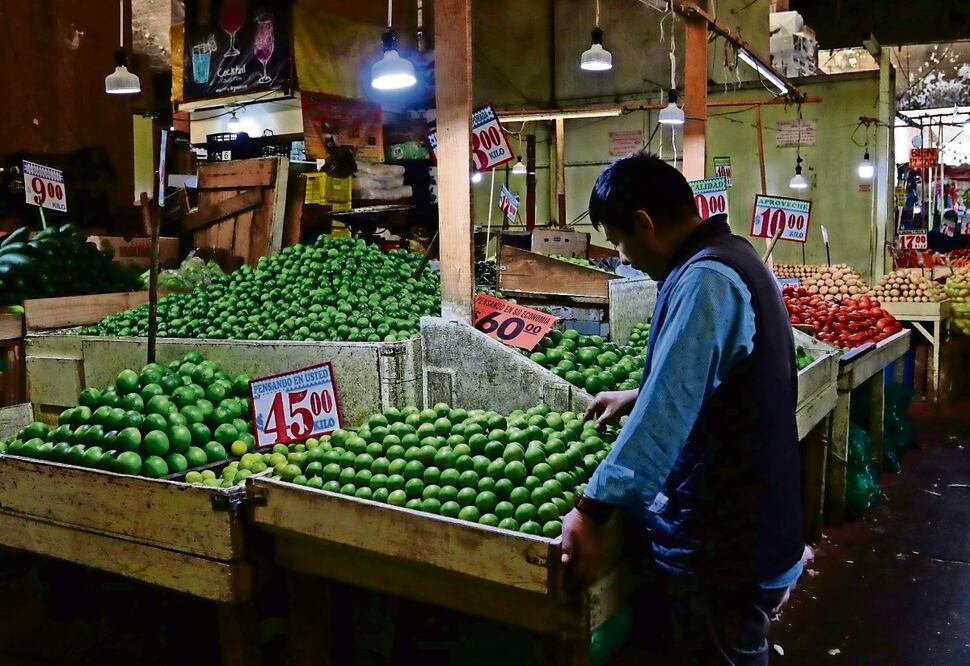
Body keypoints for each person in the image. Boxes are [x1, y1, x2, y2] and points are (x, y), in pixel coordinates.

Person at [560, 153, 805, 665]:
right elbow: (723, 374)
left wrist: (591, 509)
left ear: (645, 224)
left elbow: (667, 413)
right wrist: (638, 395)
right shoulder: (735, 254)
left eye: (620, 241)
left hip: (727, 541)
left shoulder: (706, 280)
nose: (623, 257)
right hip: (757, 522)